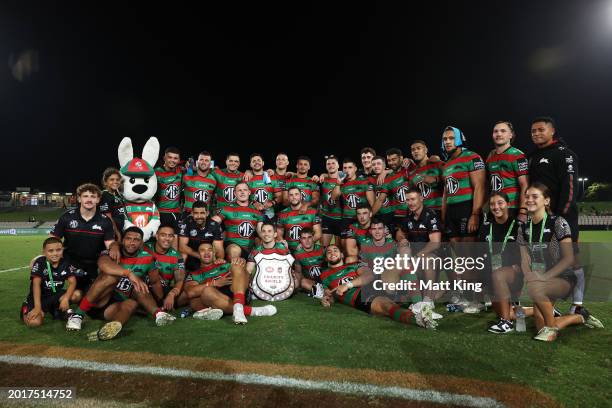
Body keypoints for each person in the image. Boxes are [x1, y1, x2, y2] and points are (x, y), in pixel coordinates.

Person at [517, 183, 603, 342]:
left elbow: (569, 258)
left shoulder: (558, 222)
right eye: (527, 196)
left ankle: (551, 331)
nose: (529, 200)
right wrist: (529, 274)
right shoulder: (523, 228)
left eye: (535, 196)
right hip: (540, 278)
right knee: (538, 322)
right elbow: (524, 258)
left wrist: (544, 277)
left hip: (563, 277)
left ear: (546, 201)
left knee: (536, 291)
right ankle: (579, 317)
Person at [66, 227, 175, 333]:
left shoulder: (148, 258)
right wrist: (129, 273)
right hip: (98, 298)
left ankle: (115, 326)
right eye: (128, 238)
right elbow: (104, 265)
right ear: (122, 240)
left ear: (141, 243)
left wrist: (161, 301)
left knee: (135, 295)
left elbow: (155, 282)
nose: (132, 242)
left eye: (136, 240)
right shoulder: (112, 252)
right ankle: (78, 315)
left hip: (113, 307)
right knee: (112, 276)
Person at [528, 117, 584, 314]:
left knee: (572, 259)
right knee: (546, 258)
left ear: (552, 131)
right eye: (533, 131)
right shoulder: (533, 156)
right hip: (541, 219)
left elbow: (570, 188)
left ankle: (578, 306)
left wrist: (561, 217)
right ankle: (549, 306)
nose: (536, 133)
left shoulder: (565, 154)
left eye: (540, 130)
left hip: (563, 218)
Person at [319, 245, 437, 329]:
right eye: (329, 252)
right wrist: (326, 299)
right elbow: (329, 294)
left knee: (402, 262)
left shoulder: (354, 264)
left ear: (342, 254)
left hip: (375, 284)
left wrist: (348, 284)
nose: (332, 253)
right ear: (326, 258)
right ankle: (418, 319)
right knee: (388, 306)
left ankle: (418, 305)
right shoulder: (324, 275)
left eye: (335, 250)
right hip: (360, 296)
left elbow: (369, 276)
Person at [440, 126, 486, 306]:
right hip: (452, 212)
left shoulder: (472, 157)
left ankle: (480, 298)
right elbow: (445, 193)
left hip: (467, 209)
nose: (448, 141)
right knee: (460, 259)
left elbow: (480, 187)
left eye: (451, 138)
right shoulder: (446, 164)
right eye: (445, 139)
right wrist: (444, 216)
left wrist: (475, 213)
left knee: (470, 258)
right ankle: (468, 296)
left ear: (459, 139)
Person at [50, 183, 119, 293]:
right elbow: (52, 240)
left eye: (93, 196)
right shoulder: (67, 217)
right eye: (85, 196)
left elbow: (109, 243)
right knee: (75, 294)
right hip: (71, 262)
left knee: (90, 295)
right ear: (79, 198)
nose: (89, 199)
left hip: (94, 263)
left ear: (98, 200)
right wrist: (43, 257)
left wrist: (114, 246)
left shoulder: (105, 221)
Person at [478, 192, 521, 333]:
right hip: (493, 274)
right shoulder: (486, 226)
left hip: (514, 273)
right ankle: (546, 309)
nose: (496, 207)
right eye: (492, 204)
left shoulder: (518, 225)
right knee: (509, 313)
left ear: (508, 204)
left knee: (498, 275)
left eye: (500, 203)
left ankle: (506, 324)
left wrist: (518, 266)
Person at [396, 189, 442, 308]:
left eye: (413, 199)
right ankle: (408, 294)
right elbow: (400, 233)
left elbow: (435, 243)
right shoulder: (409, 215)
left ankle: (428, 300)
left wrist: (417, 256)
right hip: (415, 254)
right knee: (402, 251)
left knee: (427, 260)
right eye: (408, 200)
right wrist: (402, 239)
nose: (410, 203)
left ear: (421, 199)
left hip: (433, 254)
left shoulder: (430, 215)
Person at [21, 237, 80, 328]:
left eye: (58, 250)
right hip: (38, 298)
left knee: (77, 294)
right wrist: (37, 307)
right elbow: (36, 285)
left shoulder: (65, 263)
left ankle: (57, 310)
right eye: (51, 251)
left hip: (54, 295)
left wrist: (65, 299)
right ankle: (27, 307)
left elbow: (73, 282)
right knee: (34, 323)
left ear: (62, 250)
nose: (55, 253)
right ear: (44, 252)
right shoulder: (40, 263)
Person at [486, 122, 529, 217]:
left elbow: (525, 184)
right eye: (495, 131)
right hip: (495, 207)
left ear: (511, 135)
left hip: (512, 208)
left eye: (503, 131)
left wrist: (523, 210)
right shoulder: (490, 156)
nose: (499, 134)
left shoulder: (518, 155)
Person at [144, 225, 189, 312]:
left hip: (163, 290)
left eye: (170, 236)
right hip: (143, 287)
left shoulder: (177, 256)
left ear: (173, 238)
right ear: (157, 236)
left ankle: (164, 304)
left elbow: (179, 280)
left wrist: (172, 294)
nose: (167, 239)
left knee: (188, 292)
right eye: (163, 235)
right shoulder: (145, 248)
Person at [217, 182, 264, 260]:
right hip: (232, 245)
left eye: (245, 190)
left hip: (250, 248)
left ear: (249, 192)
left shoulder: (257, 211)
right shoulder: (227, 209)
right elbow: (214, 222)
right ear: (235, 193)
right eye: (239, 190)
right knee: (234, 250)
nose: (242, 192)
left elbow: (260, 231)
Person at [332, 158, 374, 240]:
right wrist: (338, 183)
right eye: (345, 168)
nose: (347, 170)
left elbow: (372, 202)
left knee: (364, 242)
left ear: (355, 169)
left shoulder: (364, 181)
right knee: (344, 243)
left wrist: (370, 219)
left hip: (362, 218)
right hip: (347, 218)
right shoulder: (341, 183)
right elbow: (334, 197)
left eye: (350, 167)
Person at [178, 200, 224, 272]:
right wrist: (199, 256)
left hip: (208, 255)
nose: (199, 216)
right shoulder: (186, 222)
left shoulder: (215, 225)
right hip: (192, 255)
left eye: (202, 213)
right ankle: (180, 278)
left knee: (220, 262)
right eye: (196, 213)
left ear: (207, 213)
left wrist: (218, 260)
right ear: (192, 213)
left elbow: (219, 250)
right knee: (183, 255)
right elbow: (182, 247)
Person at [277, 187, 322, 252]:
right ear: (288, 198)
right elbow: (279, 233)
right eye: (291, 195)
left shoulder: (312, 212)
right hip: (289, 250)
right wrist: (283, 243)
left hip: (307, 250)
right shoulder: (282, 214)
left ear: (301, 196)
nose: (294, 197)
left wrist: (304, 244)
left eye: (296, 194)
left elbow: (318, 234)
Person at [155, 146, 184, 240]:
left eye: (175, 158)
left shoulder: (181, 171)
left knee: (175, 241)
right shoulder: (156, 173)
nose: (172, 160)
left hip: (175, 213)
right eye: (170, 157)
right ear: (164, 158)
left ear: (179, 160)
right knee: (160, 239)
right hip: (160, 213)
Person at [407, 141, 444, 213]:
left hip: (440, 209)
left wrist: (436, 179)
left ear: (426, 150)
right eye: (413, 150)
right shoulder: (412, 174)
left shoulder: (437, 163)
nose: (416, 151)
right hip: (422, 212)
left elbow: (450, 180)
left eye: (418, 148)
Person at [246, 153, 283, 221]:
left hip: (269, 215)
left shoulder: (271, 177)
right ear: (250, 164)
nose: (256, 162)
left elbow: (280, 196)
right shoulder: (247, 178)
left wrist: (272, 202)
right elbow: (241, 197)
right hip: (251, 216)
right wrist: (253, 203)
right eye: (254, 161)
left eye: (258, 160)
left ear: (263, 163)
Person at [293, 227, 326, 298]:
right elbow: (298, 272)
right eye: (304, 238)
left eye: (309, 237)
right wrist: (296, 286)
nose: (307, 240)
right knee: (303, 282)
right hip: (312, 282)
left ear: (313, 238)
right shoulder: (298, 254)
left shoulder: (322, 250)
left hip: (326, 280)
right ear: (300, 240)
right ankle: (321, 292)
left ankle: (318, 292)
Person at [319, 155, 343, 247]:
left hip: (340, 218)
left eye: (333, 163)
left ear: (338, 165)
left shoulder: (344, 178)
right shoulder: (323, 179)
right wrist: (323, 174)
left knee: (338, 248)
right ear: (326, 166)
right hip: (327, 217)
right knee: (324, 247)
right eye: (328, 164)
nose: (331, 165)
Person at [99, 167, 126, 241]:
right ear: (105, 182)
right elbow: (108, 216)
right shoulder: (105, 195)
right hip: (111, 232)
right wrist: (117, 233)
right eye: (111, 179)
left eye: (117, 179)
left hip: (119, 230)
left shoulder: (117, 195)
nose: (115, 182)